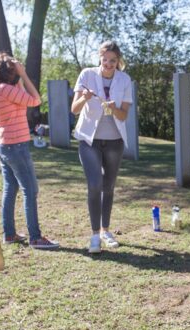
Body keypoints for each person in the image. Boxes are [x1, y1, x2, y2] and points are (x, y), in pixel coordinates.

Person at [0, 53, 59, 249]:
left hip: (3, 145)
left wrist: (18, 78)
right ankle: (35, 237)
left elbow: (22, 98)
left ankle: (9, 234)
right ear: (10, 72)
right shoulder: (6, 90)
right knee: (30, 189)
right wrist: (24, 75)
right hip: (16, 146)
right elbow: (35, 100)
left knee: (10, 189)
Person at [71, 41, 133, 254]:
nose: (108, 64)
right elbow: (74, 109)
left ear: (118, 61)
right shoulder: (87, 75)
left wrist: (114, 108)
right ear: (100, 58)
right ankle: (95, 235)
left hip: (115, 141)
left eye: (112, 60)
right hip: (89, 140)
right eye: (105, 59)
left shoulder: (124, 80)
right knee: (95, 184)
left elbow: (124, 115)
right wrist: (85, 98)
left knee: (109, 186)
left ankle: (106, 230)